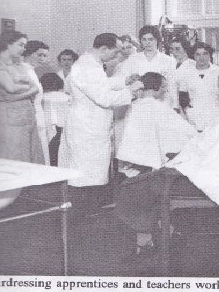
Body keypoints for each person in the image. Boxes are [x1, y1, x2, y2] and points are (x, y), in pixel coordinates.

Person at [116, 71, 219, 251]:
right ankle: (151, 232)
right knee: (147, 182)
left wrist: (180, 160)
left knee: (132, 186)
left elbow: (206, 151)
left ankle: (147, 238)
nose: (218, 93)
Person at [59, 33, 143, 210]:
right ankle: (83, 215)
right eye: (116, 52)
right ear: (104, 49)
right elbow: (103, 97)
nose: (117, 56)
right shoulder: (87, 67)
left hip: (92, 126)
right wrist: (132, 92)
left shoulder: (93, 64)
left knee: (93, 173)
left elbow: (101, 84)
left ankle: (90, 211)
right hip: (87, 129)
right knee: (85, 176)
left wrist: (124, 81)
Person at [116, 71, 197, 252]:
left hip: (131, 167)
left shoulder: (132, 105)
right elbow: (186, 133)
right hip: (151, 170)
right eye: (165, 88)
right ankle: (156, 235)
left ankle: (144, 240)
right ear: (158, 89)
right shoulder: (157, 107)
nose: (166, 92)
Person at [0, 31, 44, 164]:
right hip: (10, 120)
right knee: (14, 158)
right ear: (8, 44)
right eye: (21, 45)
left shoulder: (18, 64)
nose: (23, 49)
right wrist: (26, 88)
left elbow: (35, 88)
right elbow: (10, 88)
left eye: (25, 46)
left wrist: (17, 95)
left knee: (31, 157)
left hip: (27, 117)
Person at [177, 42, 219, 131]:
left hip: (216, 115)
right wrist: (188, 111)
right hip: (194, 117)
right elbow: (182, 95)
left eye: (205, 54)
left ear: (210, 55)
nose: (202, 58)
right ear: (193, 56)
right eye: (198, 54)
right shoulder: (187, 73)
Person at [22, 40, 51, 164]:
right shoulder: (23, 70)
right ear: (29, 53)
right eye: (39, 55)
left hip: (38, 115)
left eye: (45, 56)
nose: (42, 59)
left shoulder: (31, 70)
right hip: (31, 117)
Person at [39, 72, 70, 166]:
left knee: (52, 153)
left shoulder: (43, 97)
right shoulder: (66, 96)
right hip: (65, 127)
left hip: (50, 128)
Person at [169, 36, 195, 110]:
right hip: (170, 107)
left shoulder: (193, 66)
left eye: (177, 49)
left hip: (186, 108)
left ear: (185, 49)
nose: (174, 52)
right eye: (172, 49)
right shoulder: (170, 64)